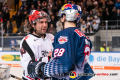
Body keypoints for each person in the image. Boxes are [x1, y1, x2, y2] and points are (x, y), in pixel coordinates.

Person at [27, 3, 94, 80]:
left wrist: (41, 68)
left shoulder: (65, 33)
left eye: (61, 17)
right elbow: (78, 61)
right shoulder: (84, 37)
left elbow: (63, 64)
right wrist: (55, 56)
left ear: (64, 17)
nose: (60, 20)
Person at [20, 10, 54, 80]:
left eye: (46, 22)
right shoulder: (27, 41)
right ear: (33, 24)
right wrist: (49, 59)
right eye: (41, 22)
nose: (44, 25)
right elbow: (29, 67)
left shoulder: (51, 37)